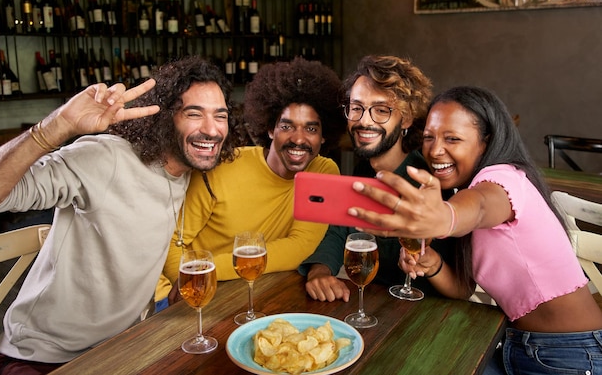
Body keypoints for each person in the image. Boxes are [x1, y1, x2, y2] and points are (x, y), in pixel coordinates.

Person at [0, 56, 236, 374]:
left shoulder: (191, 172)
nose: (211, 130)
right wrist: (56, 126)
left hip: (121, 350)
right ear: (166, 118)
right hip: (40, 358)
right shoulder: (105, 158)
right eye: (194, 114)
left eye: (219, 116)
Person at [348, 85, 602, 375]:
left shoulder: (503, 178)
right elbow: (462, 288)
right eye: (429, 138)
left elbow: (479, 206)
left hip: (571, 354)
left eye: (453, 139)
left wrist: (445, 217)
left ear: (486, 141)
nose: (435, 150)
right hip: (515, 344)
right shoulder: (465, 188)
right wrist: (432, 264)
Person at [157, 56, 347, 307]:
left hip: (244, 289)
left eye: (311, 129)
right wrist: (191, 278)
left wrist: (210, 271)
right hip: (182, 290)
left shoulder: (324, 173)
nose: (299, 139)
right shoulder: (223, 165)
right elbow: (171, 241)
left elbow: (299, 247)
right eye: (287, 126)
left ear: (324, 137)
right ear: (270, 129)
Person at [298, 54, 456, 302]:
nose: (364, 121)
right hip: (376, 304)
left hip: (427, 314)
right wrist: (319, 271)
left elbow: (453, 277)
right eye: (356, 108)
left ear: (406, 118)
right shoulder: (363, 170)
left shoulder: (427, 181)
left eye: (381, 110)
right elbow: (340, 229)